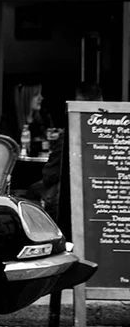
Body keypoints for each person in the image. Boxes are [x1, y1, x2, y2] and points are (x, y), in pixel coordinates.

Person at [36, 82, 103, 232]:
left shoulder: (71, 133)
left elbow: (50, 173)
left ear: (77, 101)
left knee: (32, 192)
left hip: (70, 201)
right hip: (106, 201)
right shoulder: (116, 132)